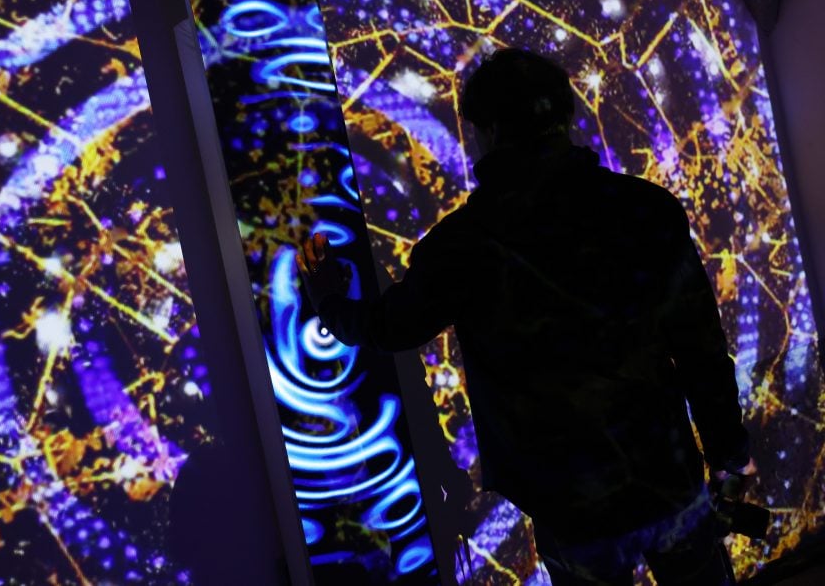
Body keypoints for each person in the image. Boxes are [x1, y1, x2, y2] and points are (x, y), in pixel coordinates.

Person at [297, 48, 757, 585]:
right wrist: (729, 451)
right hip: (669, 480)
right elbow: (700, 347)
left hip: (571, 507)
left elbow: (389, 328)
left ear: (488, 131)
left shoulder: (463, 245)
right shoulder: (644, 210)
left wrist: (328, 299)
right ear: (563, 117)